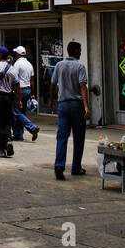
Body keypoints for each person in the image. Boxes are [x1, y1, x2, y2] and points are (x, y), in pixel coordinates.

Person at [51, 40, 89, 179]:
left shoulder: (59, 65)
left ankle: (59, 165)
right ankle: (76, 167)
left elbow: (52, 83)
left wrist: (51, 101)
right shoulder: (79, 67)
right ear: (74, 51)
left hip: (63, 105)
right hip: (76, 105)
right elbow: (82, 86)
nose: (80, 52)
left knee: (62, 136)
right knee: (78, 137)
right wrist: (86, 106)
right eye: (79, 50)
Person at [8, 46, 39, 141]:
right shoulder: (29, 64)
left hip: (19, 90)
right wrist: (32, 93)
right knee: (21, 112)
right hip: (28, 89)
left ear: (18, 54)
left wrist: (12, 90)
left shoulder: (17, 64)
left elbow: (15, 79)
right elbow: (32, 80)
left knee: (16, 112)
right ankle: (18, 134)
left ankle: (32, 128)